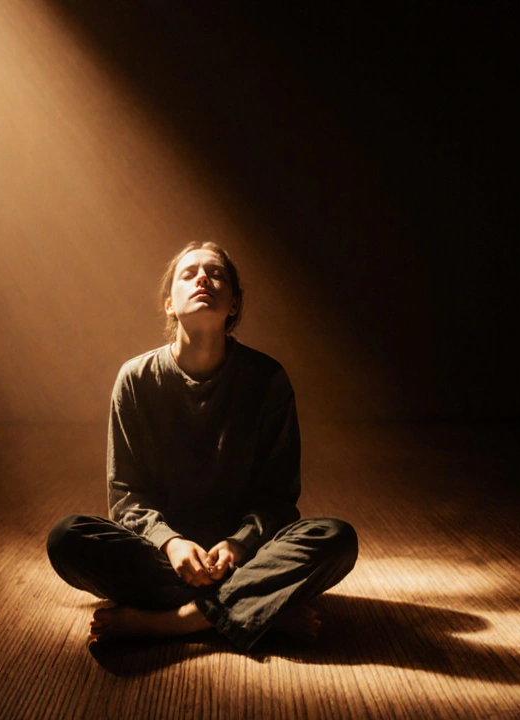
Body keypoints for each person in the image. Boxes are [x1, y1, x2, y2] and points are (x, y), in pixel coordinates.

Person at [46, 241, 358, 652]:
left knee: (335, 538)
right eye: (189, 273)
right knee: (67, 538)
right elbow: (126, 497)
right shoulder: (136, 379)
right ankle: (258, 609)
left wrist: (239, 543)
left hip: (246, 556)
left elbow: (278, 498)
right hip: (165, 557)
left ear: (233, 305)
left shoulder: (267, 379)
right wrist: (170, 542)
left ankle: (173, 623)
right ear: (169, 305)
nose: (203, 279)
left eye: (216, 274)